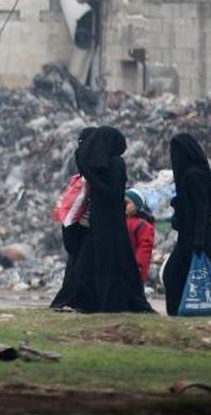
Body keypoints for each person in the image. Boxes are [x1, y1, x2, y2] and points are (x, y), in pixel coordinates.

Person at [61, 126, 153, 314]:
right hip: (100, 224)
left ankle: (107, 303)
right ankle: (88, 302)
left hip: (111, 225)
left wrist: (90, 175)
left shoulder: (116, 163)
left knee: (107, 266)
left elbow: (113, 194)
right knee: (87, 267)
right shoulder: (105, 165)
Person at [164, 134, 211, 317]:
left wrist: (198, 241)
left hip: (196, 237)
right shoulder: (200, 172)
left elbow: (201, 208)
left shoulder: (192, 175)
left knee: (175, 274)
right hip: (197, 235)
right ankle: (201, 312)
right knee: (203, 275)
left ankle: (180, 313)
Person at [50, 127, 95, 310]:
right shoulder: (82, 169)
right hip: (79, 223)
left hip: (81, 223)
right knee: (77, 264)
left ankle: (77, 299)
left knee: (79, 265)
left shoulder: (89, 166)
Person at [124, 189, 155, 285]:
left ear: (137, 205)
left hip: (136, 268)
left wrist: (139, 265)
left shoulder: (143, 225)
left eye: (127, 203)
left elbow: (145, 247)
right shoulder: (123, 221)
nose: (124, 206)